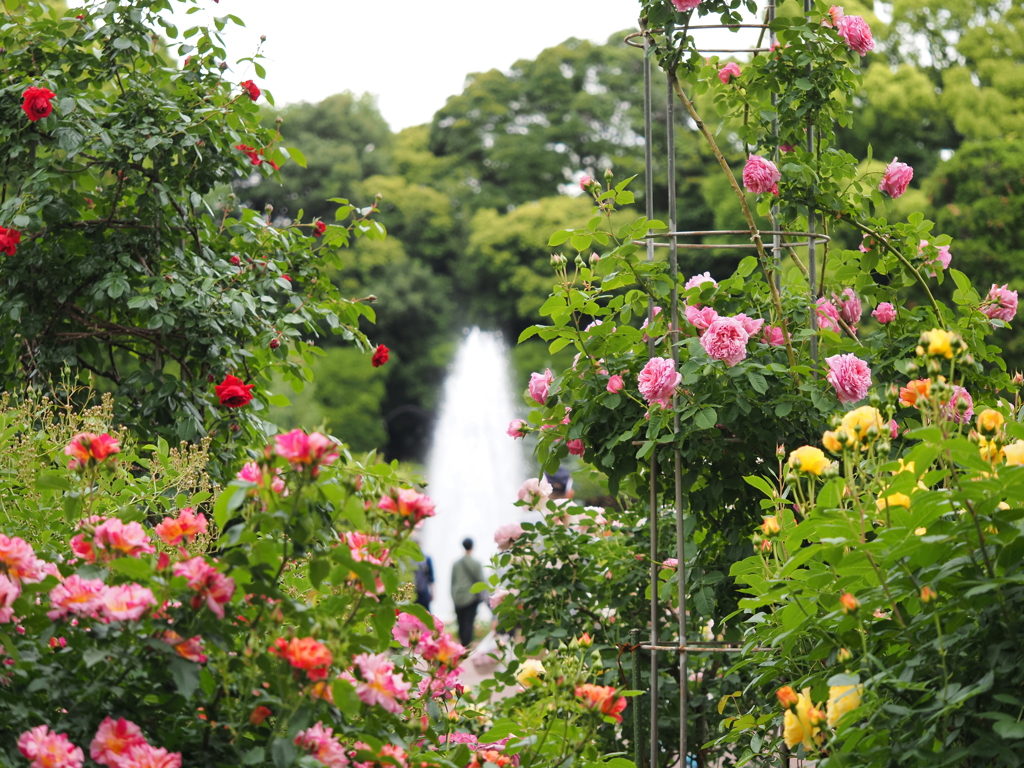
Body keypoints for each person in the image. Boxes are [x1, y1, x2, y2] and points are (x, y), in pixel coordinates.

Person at [451, 537, 486, 648]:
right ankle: (466, 647)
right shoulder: (476, 563)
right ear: (472, 546)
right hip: (471, 597)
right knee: (468, 622)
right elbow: (481, 581)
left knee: (460, 622)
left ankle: (461, 646)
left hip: (458, 596)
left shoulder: (456, 564)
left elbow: (452, 582)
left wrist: (453, 596)